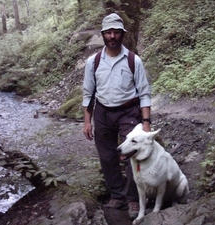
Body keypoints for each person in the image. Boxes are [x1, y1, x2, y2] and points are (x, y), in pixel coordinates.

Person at [82, 13, 151, 220]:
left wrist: (146, 122)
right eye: (108, 32)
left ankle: (132, 198)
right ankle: (117, 196)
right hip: (102, 112)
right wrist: (87, 121)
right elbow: (88, 93)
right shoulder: (92, 63)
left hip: (128, 111)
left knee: (133, 153)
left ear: (122, 34)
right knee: (107, 156)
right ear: (103, 35)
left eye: (116, 32)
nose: (112, 36)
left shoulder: (133, 61)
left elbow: (144, 93)